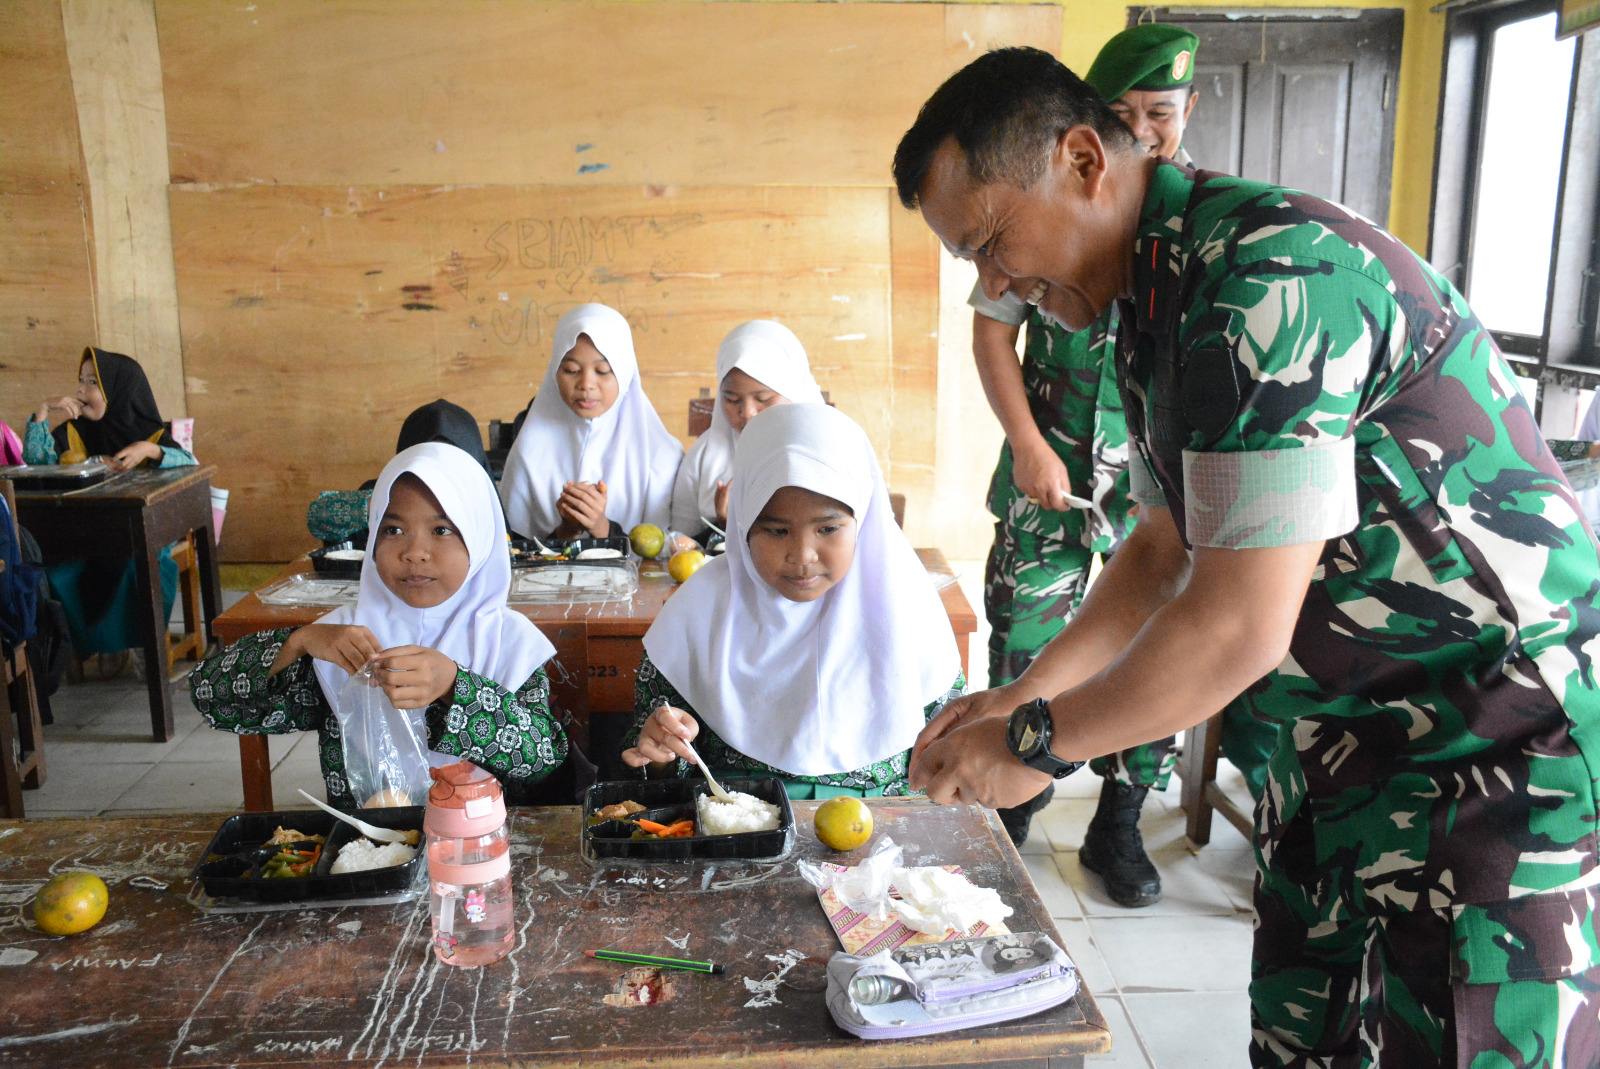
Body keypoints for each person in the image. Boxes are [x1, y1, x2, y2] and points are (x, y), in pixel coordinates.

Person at [895, 47, 1600, 1066]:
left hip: (1491, 753)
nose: (994, 285)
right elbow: (1160, 551)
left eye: (993, 243)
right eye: (972, 262)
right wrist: (1021, 694)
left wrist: (1039, 743)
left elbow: (1234, 622)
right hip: (1340, 747)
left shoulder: (1269, 279)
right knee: (1303, 1039)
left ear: (1085, 159)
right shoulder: (1150, 306)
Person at [967, 24, 1262, 898]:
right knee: (1028, 638)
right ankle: (1010, 808)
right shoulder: (1051, 211)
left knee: (1156, 641)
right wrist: (1027, 444)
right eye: (1124, 113)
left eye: (1159, 113)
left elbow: (1225, 625)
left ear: (1187, 112)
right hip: (1050, 474)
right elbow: (992, 326)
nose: (1145, 130)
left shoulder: (1208, 246)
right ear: (1086, 135)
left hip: (1158, 494)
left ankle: (1121, 820)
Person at [192, 443, 572, 808]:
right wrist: (299, 642)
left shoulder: (507, 640)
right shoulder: (343, 639)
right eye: (392, 530)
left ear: (480, 537)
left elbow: (541, 759)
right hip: (370, 851)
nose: (414, 552)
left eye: (442, 530)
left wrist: (456, 686)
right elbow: (213, 699)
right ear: (371, 536)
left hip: (483, 851)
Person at [621, 403, 965, 798]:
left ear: (863, 520)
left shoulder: (906, 607)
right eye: (777, 530)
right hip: (736, 829)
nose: (802, 554)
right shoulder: (697, 613)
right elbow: (648, 753)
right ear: (743, 525)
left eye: (829, 528)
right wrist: (662, 751)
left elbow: (952, 746)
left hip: (884, 836)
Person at [24, 348, 197, 667]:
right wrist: (42, 411)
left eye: (92, 382)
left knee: (135, 568)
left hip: (139, 537)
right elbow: (36, 462)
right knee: (58, 573)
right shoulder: (74, 432)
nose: (80, 390)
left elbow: (191, 464)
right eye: (80, 380)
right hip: (85, 536)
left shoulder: (154, 435)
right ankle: (82, 646)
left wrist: (150, 450)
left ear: (121, 390)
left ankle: (143, 642)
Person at [499, 304, 682, 542]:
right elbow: (510, 550)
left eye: (603, 371)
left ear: (624, 373)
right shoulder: (529, 450)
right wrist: (567, 531)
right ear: (554, 372)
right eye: (571, 369)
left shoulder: (660, 456)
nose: (586, 383)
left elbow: (667, 556)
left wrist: (603, 529)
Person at [669, 320, 824, 544]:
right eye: (731, 399)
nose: (747, 412)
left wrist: (738, 525)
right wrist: (725, 526)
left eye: (763, 399)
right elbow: (680, 538)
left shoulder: (823, 451)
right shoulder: (705, 454)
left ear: (794, 392)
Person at [306, 398, 490, 547]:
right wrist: (384, 504)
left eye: (450, 460)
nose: (438, 470)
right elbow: (319, 515)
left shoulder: (486, 501)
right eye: (427, 459)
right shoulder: (384, 493)